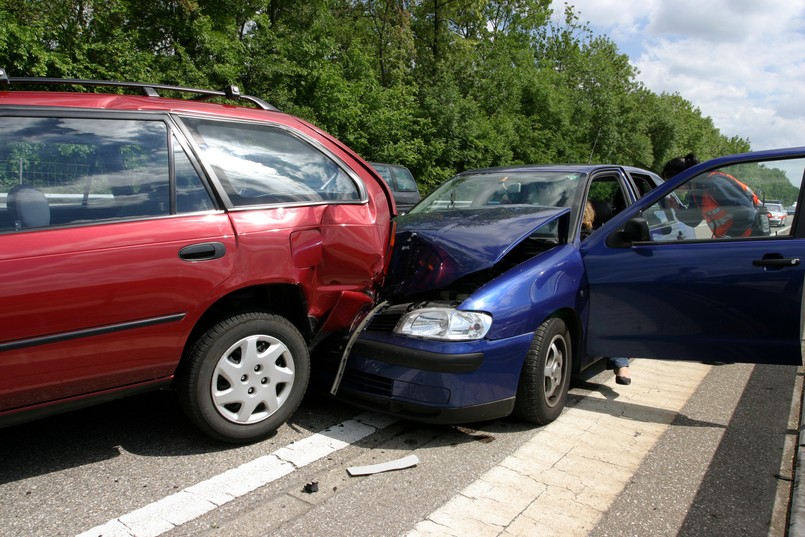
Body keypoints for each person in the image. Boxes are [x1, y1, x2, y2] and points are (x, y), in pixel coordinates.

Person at [582, 201, 632, 385]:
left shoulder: (599, 239)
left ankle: (621, 364)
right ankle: (621, 365)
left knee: (609, 312)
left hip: (595, 290)